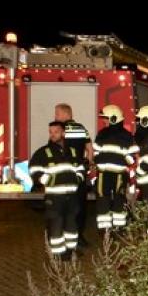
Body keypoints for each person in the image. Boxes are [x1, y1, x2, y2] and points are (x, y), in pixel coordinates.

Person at [29, 121, 84, 260]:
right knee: (56, 226)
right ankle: (58, 256)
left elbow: (81, 168)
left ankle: (71, 252)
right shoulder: (43, 152)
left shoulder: (72, 151)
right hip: (54, 197)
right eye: (51, 132)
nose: (53, 135)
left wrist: (77, 179)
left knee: (72, 226)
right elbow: (34, 170)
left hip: (72, 196)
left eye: (56, 132)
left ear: (63, 133)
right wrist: (47, 181)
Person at [54, 103, 93, 247]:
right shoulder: (81, 128)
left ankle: (66, 238)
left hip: (64, 174)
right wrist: (87, 166)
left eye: (57, 114)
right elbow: (90, 149)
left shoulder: (59, 130)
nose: (55, 116)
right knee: (80, 206)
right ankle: (79, 237)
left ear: (66, 114)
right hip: (79, 174)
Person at [93, 105, 137, 233]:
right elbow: (131, 157)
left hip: (103, 174)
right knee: (119, 199)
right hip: (119, 174)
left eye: (105, 118)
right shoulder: (127, 135)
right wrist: (125, 163)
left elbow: (96, 154)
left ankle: (104, 230)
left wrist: (98, 162)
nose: (103, 121)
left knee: (103, 200)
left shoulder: (102, 134)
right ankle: (119, 229)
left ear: (113, 118)